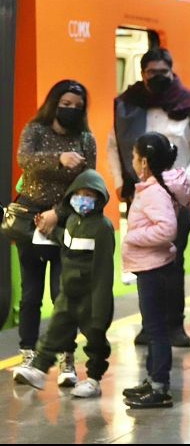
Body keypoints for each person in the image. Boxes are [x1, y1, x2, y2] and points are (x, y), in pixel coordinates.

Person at [108, 48, 190, 348]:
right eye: (151, 73)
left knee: (174, 264)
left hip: (175, 198)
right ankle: (150, 326)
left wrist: (185, 183)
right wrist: (123, 184)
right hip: (141, 197)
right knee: (146, 266)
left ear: (171, 71)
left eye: (163, 72)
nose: (157, 77)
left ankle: (175, 326)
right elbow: (113, 146)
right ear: (142, 73)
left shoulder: (188, 105)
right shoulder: (127, 105)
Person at [15, 80, 96, 387]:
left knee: (63, 295)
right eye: (66, 103)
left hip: (67, 224)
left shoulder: (86, 139)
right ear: (53, 103)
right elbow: (24, 160)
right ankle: (28, 356)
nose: (71, 110)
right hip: (29, 223)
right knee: (30, 295)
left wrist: (57, 213)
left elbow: (89, 187)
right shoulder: (34, 131)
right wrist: (59, 159)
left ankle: (67, 360)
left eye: (77, 106)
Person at [12, 169, 114, 398]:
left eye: (89, 194)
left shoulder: (103, 228)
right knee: (54, 333)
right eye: (79, 194)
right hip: (69, 293)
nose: (83, 199)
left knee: (95, 340)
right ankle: (39, 369)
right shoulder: (72, 223)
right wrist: (49, 231)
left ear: (99, 198)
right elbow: (65, 240)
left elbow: (103, 271)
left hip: (90, 295)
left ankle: (94, 379)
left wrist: (100, 310)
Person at [121, 132, 190, 409]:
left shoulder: (154, 192)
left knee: (156, 329)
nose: (132, 161)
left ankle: (160, 386)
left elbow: (167, 228)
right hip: (150, 267)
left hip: (154, 269)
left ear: (145, 162)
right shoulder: (153, 189)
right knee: (154, 328)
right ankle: (153, 378)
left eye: (135, 157)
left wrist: (133, 236)